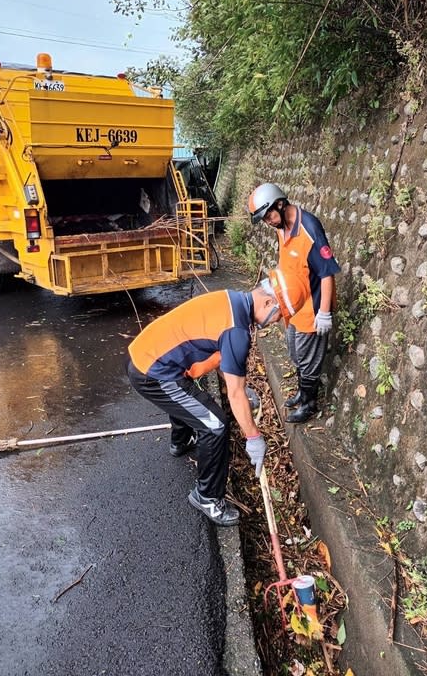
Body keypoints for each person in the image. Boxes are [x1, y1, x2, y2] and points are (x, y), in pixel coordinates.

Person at [126, 268, 307, 527]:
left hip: (148, 356)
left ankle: (181, 441)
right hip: (153, 373)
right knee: (215, 423)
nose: (276, 321)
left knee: (189, 402)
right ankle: (207, 497)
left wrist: (242, 390)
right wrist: (254, 438)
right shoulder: (238, 330)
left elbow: (227, 364)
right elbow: (233, 393)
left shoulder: (231, 300)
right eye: (279, 315)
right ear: (268, 302)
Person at [248, 183, 340, 423]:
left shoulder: (308, 228)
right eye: (264, 218)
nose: (267, 221)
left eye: (268, 214)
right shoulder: (282, 227)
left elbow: (327, 273)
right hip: (292, 307)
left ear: (280, 203)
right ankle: (302, 392)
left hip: (312, 308)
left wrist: (324, 313)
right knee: (295, 352)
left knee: (308, 359)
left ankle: (309, 404)